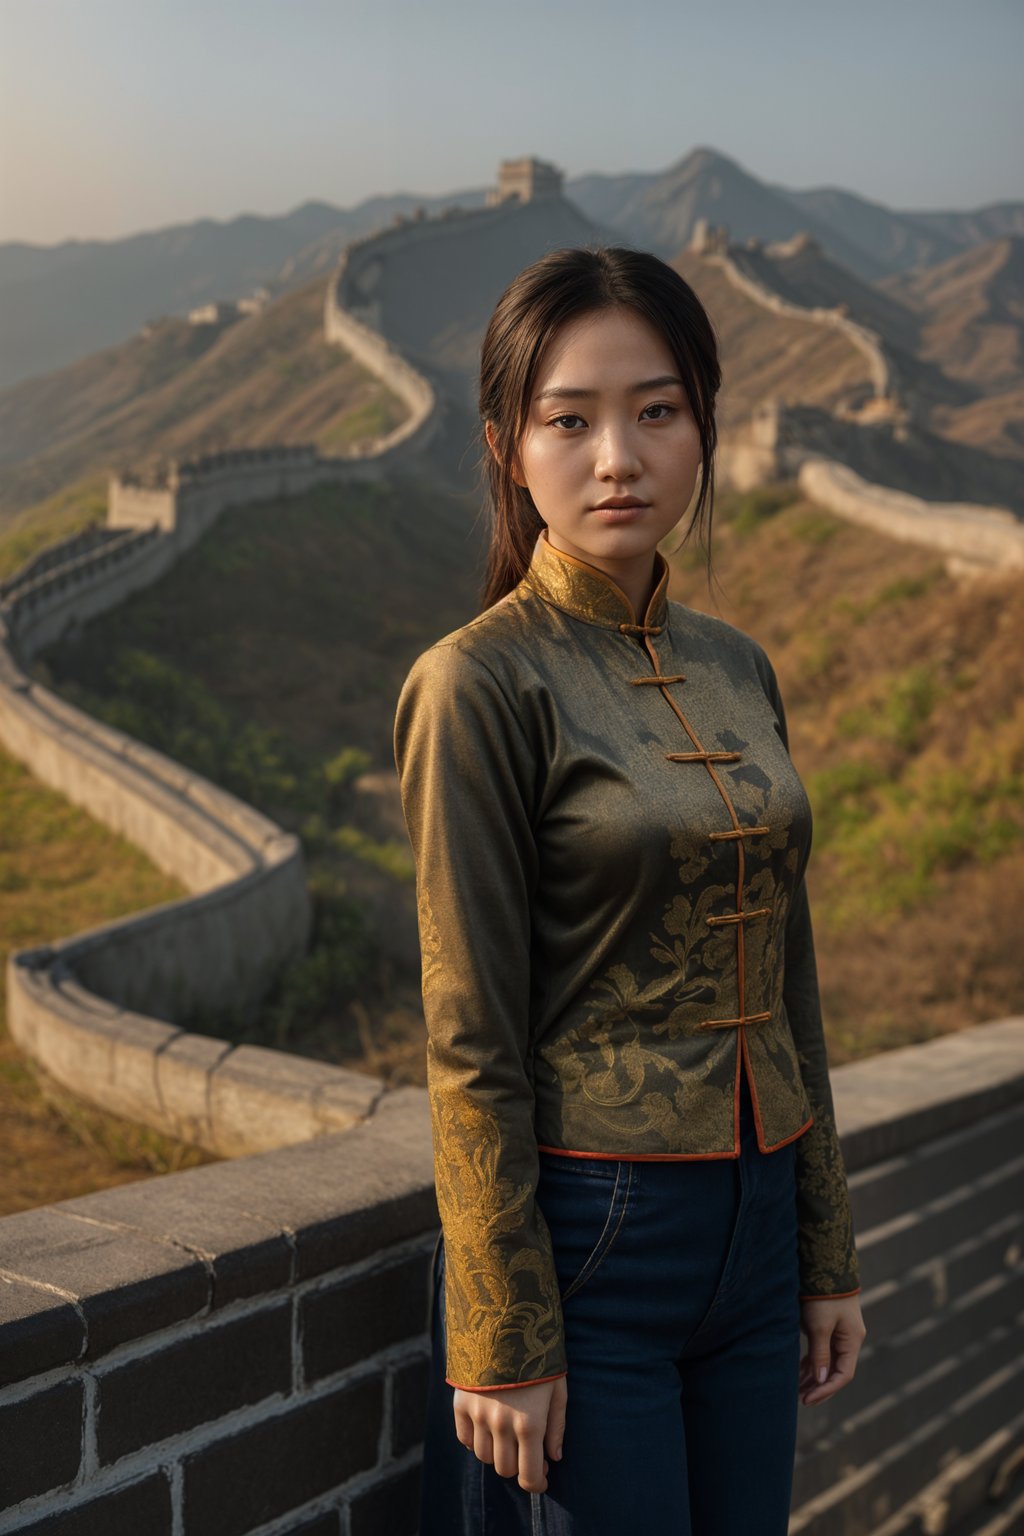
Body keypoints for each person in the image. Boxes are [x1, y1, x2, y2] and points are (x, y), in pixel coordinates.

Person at [393, 246, 866, 1536]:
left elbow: (790, 983)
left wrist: (823, 1252)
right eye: (570, 420)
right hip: (596, 1238)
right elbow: (468, 1033)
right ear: (508, 446)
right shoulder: (477, 685)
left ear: (704, 429)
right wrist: (498, 1328)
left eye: (658, 411)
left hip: (759, 1236)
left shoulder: (735, 667)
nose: (619, 456)